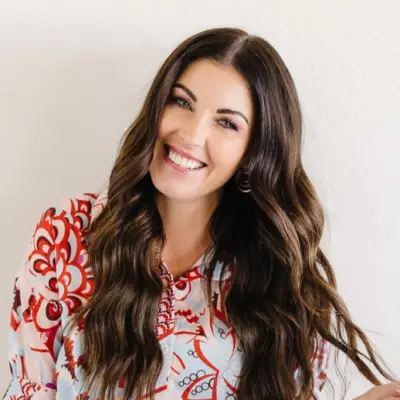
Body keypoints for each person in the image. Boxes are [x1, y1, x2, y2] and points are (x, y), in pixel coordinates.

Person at [3, 27, 399, 400]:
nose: (191, 135)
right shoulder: (67, 233)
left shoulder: (277, 278)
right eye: (181, 102)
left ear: (253, 152)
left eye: (226, 123)